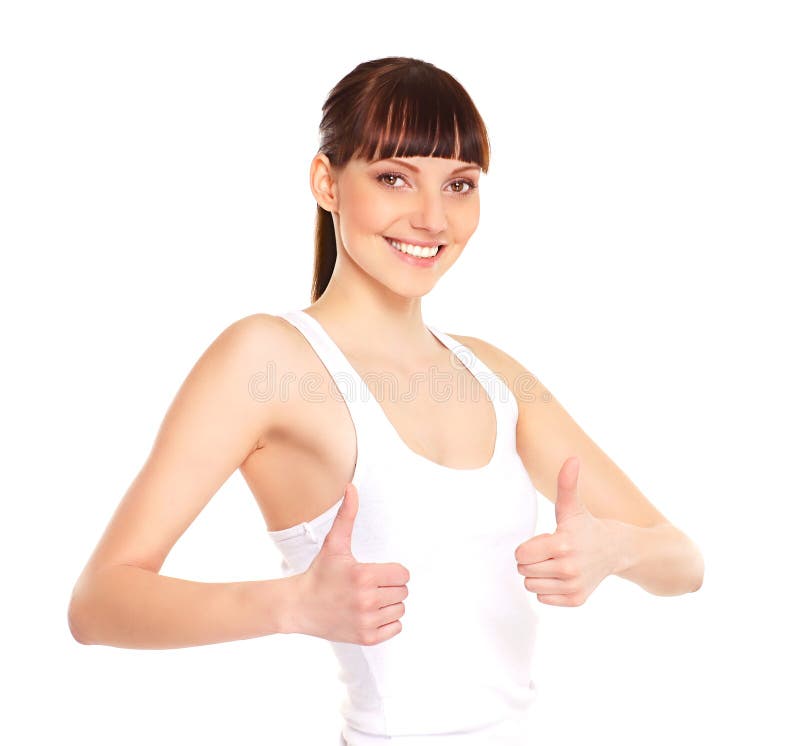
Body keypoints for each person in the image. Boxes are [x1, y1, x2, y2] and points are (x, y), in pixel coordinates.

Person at [68, 56, 704, 745]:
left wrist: (616, 551)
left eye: (459, 185)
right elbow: (99, 602)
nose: (432, 217)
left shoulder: (496, 373)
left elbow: (684, 562)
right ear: (327, 182)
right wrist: (289, 604)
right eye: (394, 177)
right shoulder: (265, 359)